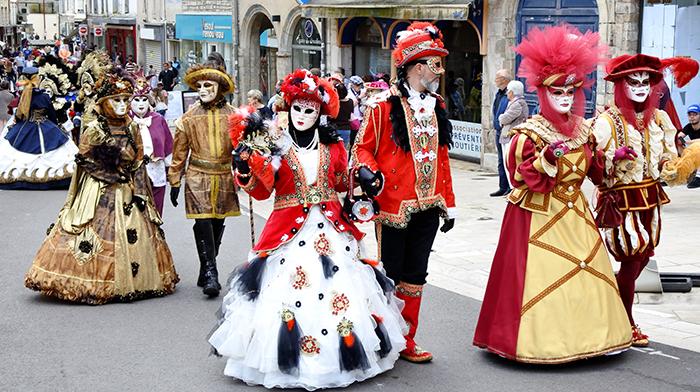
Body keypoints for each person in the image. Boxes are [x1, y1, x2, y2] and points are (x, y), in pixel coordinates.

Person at [209, 69, 406, 390]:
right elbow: (261, 192)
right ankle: (283, 358)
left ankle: (345, 355)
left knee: (343, 292)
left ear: (320, 112)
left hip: (331, 227)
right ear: (289, 108)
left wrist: (364, 177)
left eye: (310, 109)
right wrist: (245, 168)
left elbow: (343, 182)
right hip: (288, 230)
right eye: (298, 108)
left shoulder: (334, 148)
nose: (303, 115)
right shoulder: (275, 146)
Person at [473, 24, 632, 364]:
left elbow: (595, 171)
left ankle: (590, 338)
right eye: (557, 93)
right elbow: (520, 178)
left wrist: (612, 160)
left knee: (585, 271)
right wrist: (545, 160)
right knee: (539, 276)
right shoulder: (528, 134)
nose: (565, 98)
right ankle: (535, 341)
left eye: (570, 93)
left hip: (576, 215)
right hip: (538, 217)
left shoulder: (584, 130)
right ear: (543, 93)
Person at [23, 67, 179, 304]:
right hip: (99, 190)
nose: (122, 105)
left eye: (125, 100)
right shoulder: (94, 129)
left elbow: (138, 160)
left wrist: (139, 190)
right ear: (105, 103)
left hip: (127, 190)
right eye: (116, 100)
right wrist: (108, 175)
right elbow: (85, 160)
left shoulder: (132, 127)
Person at [351, 22, 456, 363]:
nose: (439, 71)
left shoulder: (437, 106)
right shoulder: (382, 106)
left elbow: (443, 156)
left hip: (429, 205)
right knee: (390, 273)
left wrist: (449, 204)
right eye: (434, 64)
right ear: (416, 67)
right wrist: (369, 173)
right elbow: (361, 149)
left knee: (416, 274)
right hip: (393, 206)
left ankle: (407, 338)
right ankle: (383, 336)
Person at [592, 53, 698, 346]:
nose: (640, 86)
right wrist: (614, 157)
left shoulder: (660, 118)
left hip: (650, 198)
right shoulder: (606, 120)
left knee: (645, 255)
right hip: (621, 200)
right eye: (632, 81)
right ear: (620, 85)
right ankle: (625, 322)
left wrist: (673, 164)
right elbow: (594, 163)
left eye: (645, 81)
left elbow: (666, 153)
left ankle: (611, 298)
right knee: (631, 259)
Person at [167, 61, 240, 297]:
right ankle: (211, 271)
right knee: (203, 221)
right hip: (197, 175)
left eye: (207, 84)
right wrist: (175, 180)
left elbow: (243, 148)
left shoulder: (234, 117)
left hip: (223, 175)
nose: (202, 89)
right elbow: (179, 153)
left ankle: (207, 263)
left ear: (219, 87)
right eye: (198, 85)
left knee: (217, 222)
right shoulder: (188, 118)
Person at [0, 66, 78, 189]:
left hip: (25, 127)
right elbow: (51, 114)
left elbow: (20, 115)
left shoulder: (23, 96)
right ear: (38, 79)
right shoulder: (43, 96)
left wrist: (17, 126)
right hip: (45, 124)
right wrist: (54, 127)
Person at [130, 73, 173, 215]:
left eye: (144, 100)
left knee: (156, 208)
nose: (141, 104)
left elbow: (167, 145)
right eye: (137, 100)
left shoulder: (158, 119)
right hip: (133, 171)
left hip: (156, 168)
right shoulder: (125, 121)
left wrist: (171, 170)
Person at [491, 69, 512, 197]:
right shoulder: (499, 94)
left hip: (506, 131)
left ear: (504, 79)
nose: (495, 80)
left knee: (507, 160)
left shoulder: (510, 94)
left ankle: (510, 186)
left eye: (498, 77)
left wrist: (501, 121)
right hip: (499, 130)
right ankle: (502, 186)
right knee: (500, 160)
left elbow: (508, 113)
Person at [497, 80, 529, 146]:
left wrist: (500, 117)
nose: (506, 93)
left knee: (508, 156)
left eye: (508, 90)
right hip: (509, 136)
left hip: (511, 137)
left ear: (511, 92)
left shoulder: (517, 104)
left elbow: (504, 119)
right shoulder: (515, 103)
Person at [679, 104, 700, 188]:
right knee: (677, 145)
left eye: (695, 114)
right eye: (690, 115)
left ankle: (698, 177)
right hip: (694, 151)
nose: (692, 117)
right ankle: (678, 173)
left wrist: (689, 142)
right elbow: (679, 136)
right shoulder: (688, 126)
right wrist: (682, 143)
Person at [331, 81, 354, 149]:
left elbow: (331, 116)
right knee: (343, 150)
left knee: (334, 151)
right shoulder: (350, 101)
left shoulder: (334, 103)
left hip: (335, 128)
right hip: (346, 129)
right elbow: (350, 113)